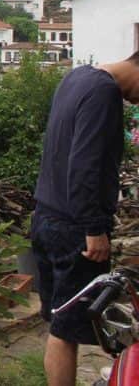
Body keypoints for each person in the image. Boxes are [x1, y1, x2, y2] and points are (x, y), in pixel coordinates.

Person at [32, 51, 139, 386]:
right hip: (74, 229)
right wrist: (93, 228)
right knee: (68, 330)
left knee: (59, 321)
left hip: (46, 216)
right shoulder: (104, 92)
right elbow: (85, 165)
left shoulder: (76, 77)